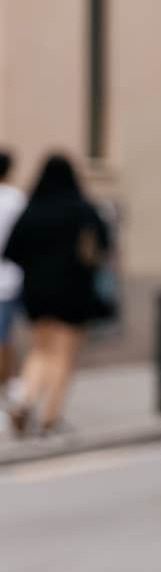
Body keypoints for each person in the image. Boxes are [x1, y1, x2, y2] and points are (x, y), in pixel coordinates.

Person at [3, 153, 115, 437]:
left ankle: (25, 399)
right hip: (73, 289)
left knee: (40, 349)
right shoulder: (82, 209)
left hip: (36, 291)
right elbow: (104, 244)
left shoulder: (33, 209)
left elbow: (11, 251)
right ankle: (50, 416)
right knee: (63, 353)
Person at [0, 149, 25, 396]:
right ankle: (8, 387)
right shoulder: (16, 199)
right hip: (11, 278)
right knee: (5, 337)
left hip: (8, 279)